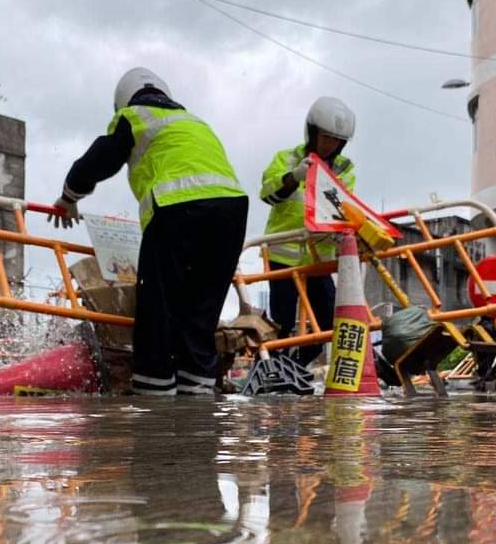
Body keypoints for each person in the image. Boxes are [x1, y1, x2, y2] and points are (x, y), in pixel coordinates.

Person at [50, 67, 248, 396]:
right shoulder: (195, 122)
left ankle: (154, 400)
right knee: (201, 310)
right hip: (231, 212)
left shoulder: (135, 114)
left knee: (159, 306)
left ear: (122, 101)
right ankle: (196, 402)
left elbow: (102, 158)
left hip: (177, 208)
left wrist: (69, 195)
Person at [260, 97, 356, 367]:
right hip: (284, 254)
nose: (331, 145)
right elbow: (267, 193)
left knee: (328, 322)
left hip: (318, 258)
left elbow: (343, 205)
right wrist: (294, 176)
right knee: (282, 323)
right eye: (326, 137)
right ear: (313, 133)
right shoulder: (286, 158)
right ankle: (275, 372)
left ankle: (293, 368)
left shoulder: (344, 168)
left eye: (337, 140)